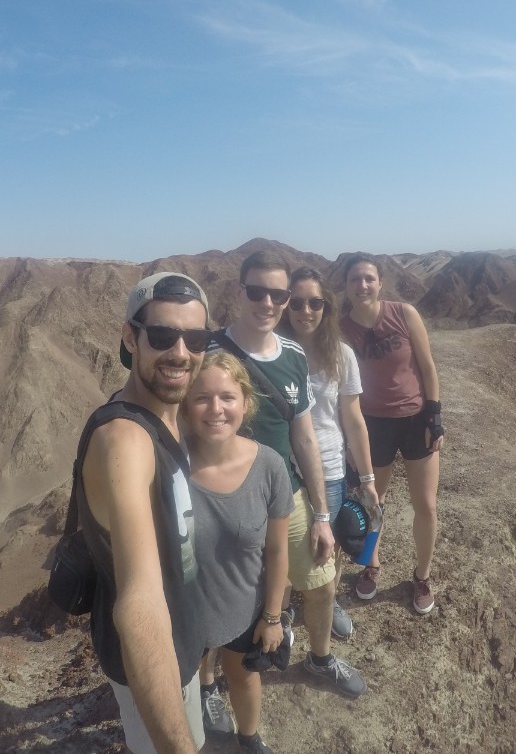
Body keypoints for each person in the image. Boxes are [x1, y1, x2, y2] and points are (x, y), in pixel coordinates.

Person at [210, 250, 367, 700]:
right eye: (257, 291)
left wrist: (321, 514)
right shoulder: (212, 351)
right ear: (240, 292)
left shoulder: (294, 355)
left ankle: (319, 660)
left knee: (320, 584)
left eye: (278, 294)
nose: (268, 302)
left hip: (286, 497)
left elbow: (304, 438)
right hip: (224, 500)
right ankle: (208, 686)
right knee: (220, 598)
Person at [76, 272, 213, 753]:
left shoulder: (168, 411)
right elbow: (140, 603)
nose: (181, 352)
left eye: (196, 338)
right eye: (161, 335)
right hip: (154, 661)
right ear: (129, 336)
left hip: (183, 649)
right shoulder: (126, 441)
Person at [184, 352, 293, 754]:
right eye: (202, 398)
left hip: (244, 608)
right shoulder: (169, 466)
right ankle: (206, 692)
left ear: (246, 403)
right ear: (186, 405)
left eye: (227, 397)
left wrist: (272, 617)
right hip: (186, 616)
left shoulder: (269, 466)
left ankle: (248, 738)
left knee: (244, 675)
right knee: (191, 675)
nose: (216, 409)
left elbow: (278, 550)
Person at [338, 254, 444, 615]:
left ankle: (422, 575)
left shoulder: (404, 314)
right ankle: (372, 565)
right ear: (347, 286)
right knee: (374, 501)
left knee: (425, 505)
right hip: (372, 424)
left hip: (415, 419)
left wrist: (435, 416)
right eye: (355, 279)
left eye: (369, 278)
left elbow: (427, 366)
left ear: (381, 282)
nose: (362, 285)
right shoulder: (341, 330)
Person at [279, 266, 379, 641]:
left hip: (331, 465)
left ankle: (328, 598)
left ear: (327, 306)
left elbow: (353, 419)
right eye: (297, 302)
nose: (306, 311)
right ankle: (285, 607)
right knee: (287, 542)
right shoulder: (274, 352)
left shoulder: (341, 355)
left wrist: (367, 478)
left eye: (315, 303)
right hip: (285, 467)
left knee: (328, 541)